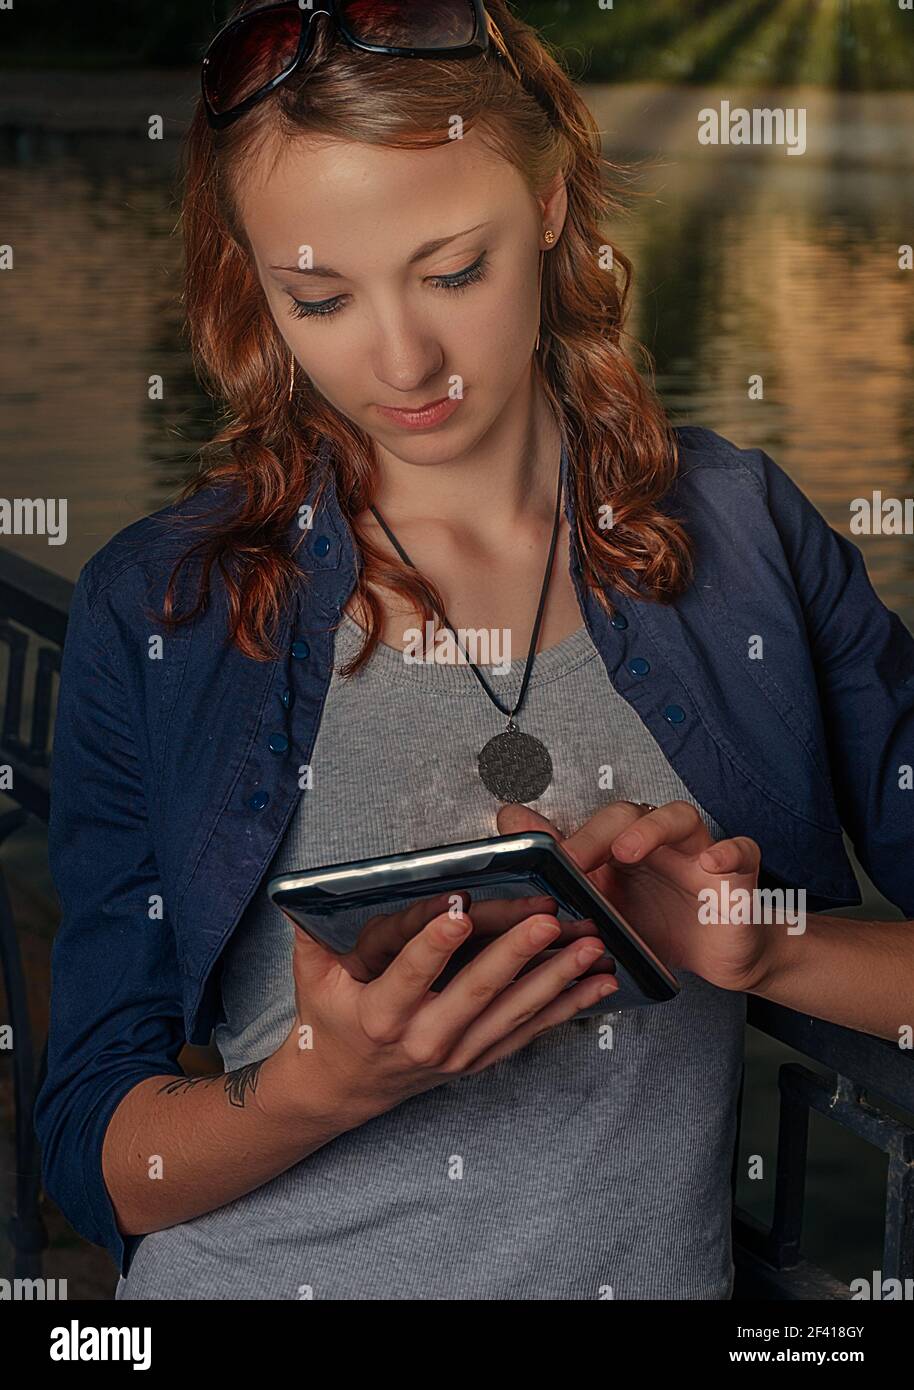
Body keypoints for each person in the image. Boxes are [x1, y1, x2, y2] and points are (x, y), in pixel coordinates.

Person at [34, 0, 913, 1301]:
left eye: (453, 271)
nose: (401, 360)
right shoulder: (155, 604)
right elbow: (98, 1159)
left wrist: (769, 947)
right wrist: (317, 1087)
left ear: (551, 201)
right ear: (255, 281)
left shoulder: (742, 532)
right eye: (318, 296)